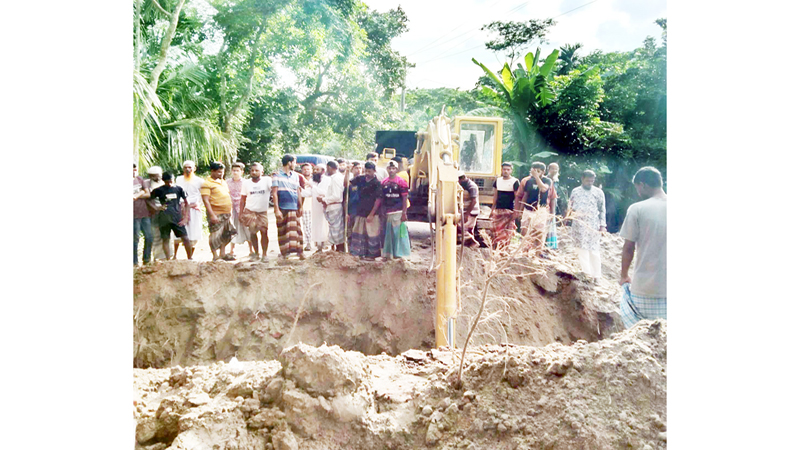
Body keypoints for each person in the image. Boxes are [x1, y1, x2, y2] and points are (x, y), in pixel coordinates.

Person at [619, 166, 667, 328]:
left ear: (643, 184)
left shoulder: (637, 209)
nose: (638, 191)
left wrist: (624, 275)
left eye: (637, 187)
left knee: (642, 333)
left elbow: (628, 248)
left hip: (645, 290)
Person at [568, 170, 607, 280]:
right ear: (582, 179)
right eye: (587, 180)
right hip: (578, 226)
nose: (590, 183)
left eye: (592, 181)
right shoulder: (575, 191)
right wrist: (568, 219)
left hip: (593, 225)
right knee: (581, 250)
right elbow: (570, 207)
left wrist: (603, 225)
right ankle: (587, 274)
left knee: (594, 250)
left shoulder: (599, 193)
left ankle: (597, 276)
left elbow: (602, 210)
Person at [150, 172, 194, 260]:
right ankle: (168, 259)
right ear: (163, 181)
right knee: (166, 239)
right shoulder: (159, 190)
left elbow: (187, 203)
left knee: (185, 238)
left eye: (171, 181)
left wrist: (185, 218)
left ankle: (190, 258)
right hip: (164, 218)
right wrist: (156, 207)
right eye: (167, 182)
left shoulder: (179, 189)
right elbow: (149, 200)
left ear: (173, 180)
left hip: (177, 217)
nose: (169, 184)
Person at [201, 161, 237, 261]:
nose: (220, 174)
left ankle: (223, 253)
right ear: (212, 171)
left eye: (222, 172)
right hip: (216, 213)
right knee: (215, 234)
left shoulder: (223, 182)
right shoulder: (207, 184)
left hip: (227, 213)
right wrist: (212, 215)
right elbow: (206, 200)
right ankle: (215, 256)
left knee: (227, 233)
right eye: (218, 172)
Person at [272, 154, 306, 260]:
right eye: (294, 162)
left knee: (297, 231)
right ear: (289, 163)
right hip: (282, 207)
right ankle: (284, 253)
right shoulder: (277, 175)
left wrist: (300, 206)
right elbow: (274, 193)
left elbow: (298, 191)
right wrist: (276, 209)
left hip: (293, 207)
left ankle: (300, 252)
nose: (295, 165)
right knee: (282, 230)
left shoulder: (296, 176)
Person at [348, 161, 383, 259]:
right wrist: (347, 171)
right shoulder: (360, 179)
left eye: (369, 171)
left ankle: (371, 256)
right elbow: (347, 184)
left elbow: (378, 199)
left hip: (372, 213)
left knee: (372, 233)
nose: (367, 173)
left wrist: (371, 214)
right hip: (360, 211)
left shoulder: (377, 183)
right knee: (359, 233)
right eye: (366, 171)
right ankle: (358, 254)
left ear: (374, 171)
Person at [240, 162, 272, 262]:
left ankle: (265, 254)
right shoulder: (246, 183)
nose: (254, 172)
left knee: (264, 232)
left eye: (256, 170)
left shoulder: (267, 180)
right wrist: (241, 213)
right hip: (250, 211)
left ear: (262, 172)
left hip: (262, 212)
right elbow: (242, 199)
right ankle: (256, 253)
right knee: (253, 233)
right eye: (252, 170)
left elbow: (274, 190)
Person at [514, 162, 552, 249]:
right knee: (524, 231)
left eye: (538, 171)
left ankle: (538, 252)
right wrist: (521, 211)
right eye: (534, 170)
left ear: (543, 172)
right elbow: (525, 195)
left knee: (539, 233)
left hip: (540, 210)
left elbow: (543, 189)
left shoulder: (547, 180)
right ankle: (525, 251)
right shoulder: (528, 181)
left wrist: (537, 177)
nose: (535, 173)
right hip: (528, 210)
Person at [380, 160, 411, 259]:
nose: (391, 170)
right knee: (388, 234)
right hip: (388, 212)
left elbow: (404, 198)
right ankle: (389, 255)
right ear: (387, 169)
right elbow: (382, 198)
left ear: (396, 169)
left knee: (398, 234)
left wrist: (404, 213)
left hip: (398, 212)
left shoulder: (401, 182)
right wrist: (382, 210)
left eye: (393, 168)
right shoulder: (383, 182)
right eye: (389, 168)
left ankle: (399, 255)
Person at [175, 160, 204, 257]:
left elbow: (203, 196)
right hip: (180, 208)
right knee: (177, 232)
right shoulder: (178, 179)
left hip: (194, 209)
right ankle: (174, 256)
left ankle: (190, 256)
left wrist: (197, 204)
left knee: (193, 233)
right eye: (186, 167)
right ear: (183, 169)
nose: (188, 169)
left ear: (194, 168)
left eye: (190, 167)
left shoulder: (200, 181)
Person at [318, 160, 347, 252]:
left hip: (335, 207)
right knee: (335, 230)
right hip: (333, 207)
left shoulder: (336, 178)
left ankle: (339, 251)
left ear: (329, 168)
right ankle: (337, 250)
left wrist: (324, 199)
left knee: (336, 231)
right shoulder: (336, 178)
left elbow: (337, 196)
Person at [144, 166, 172, 260]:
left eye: (158, 175)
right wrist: (156, 208)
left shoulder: (166, 182)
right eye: (153, 176)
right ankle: (157, 257)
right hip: (153, 213)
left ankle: (167, 256)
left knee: (166, 235)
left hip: (166, 213)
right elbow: (147, 199)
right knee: (155, 235)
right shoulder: (146, 184)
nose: (156, 178)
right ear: (150, 176)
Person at [490, 162, 520, 249]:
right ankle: (496, 250)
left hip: (509, 211)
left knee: (507, 232)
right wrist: (492, 209)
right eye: (504, 169)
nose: (506, 171)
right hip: (498, 210)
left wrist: (516, 211)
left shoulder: (515, 181)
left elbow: (517, 197)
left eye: (508, 169)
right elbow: (495, 195)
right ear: (501, 170)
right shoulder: (498, 181)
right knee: (496, 231)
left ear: (511, 171)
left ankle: (504, 250)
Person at [226, 162, 252, 259]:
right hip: (231, 209)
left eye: (237, 170)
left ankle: (251, 250)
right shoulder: (227, 182)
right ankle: (232, 250)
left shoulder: (246, 182)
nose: (235, 172)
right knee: (232, 229)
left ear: (242, 171)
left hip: (244, 209)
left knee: (247, 229)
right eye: (234, 170)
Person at [301, 164, 330, 252]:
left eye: (318, 169)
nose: (315, 171)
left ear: (323, 171)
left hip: (325, 207)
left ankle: (327, 247)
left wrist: (312, 186)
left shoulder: (327, 180)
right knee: (317, 226)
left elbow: (325, 192)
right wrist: (299, 191)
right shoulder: (314, 181)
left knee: (325, 227)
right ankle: (319, 248)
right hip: (315, 207)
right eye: (315, 169)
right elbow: (309, 193)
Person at [133, 163, 153, 266]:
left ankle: (146, 259)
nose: (134, 172)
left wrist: (138, 194)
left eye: (135, 169)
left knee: (149, 236)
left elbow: (148, 194)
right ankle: (134, 262)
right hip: (133, 215)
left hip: (144, 213)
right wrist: (142, 192)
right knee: (135, 238)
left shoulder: (140, 179)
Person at [458, 171, 481, 247]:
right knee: (468, 230)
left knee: (462, 228)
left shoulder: (471, 186)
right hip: (466, 210)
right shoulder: (462, 185)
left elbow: (473, 201)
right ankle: (468, 247)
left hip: (471, 212)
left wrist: (467, 214)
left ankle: (473, 243)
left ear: (463, 178)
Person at [344, 162, 363, 240]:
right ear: (352, 170)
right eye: (356, 168)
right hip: (352, 211)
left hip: (362, 211)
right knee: (351, 231)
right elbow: (345, 198)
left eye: (360, 168)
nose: (358, 170)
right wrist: (346, 212)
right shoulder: (351, 183)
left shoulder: (364, 181)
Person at [545, 162, 561, 249]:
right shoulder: (546, 180)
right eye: (552, 169)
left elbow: (554, 197)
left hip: (553, 206)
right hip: (546, 206)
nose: (554, 171)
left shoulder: (556, 181)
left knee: (551, 226)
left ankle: (550, 247)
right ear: (548, 170)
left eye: (556, 169)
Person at [300, 163, 314, 251]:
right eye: (305, 169)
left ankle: (319, 243)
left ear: (311, 170)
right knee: (306, 225)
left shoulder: (315, 180)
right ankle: (308, 243)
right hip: (304, 206)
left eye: (308, 169)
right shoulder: (299, 181)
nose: (306, 171)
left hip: (315, 206)